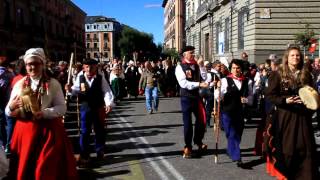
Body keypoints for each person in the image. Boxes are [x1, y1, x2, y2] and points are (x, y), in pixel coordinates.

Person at [5, 48, 78, 179]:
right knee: (26, 167)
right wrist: (11, 107)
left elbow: (62, 108)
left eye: (36, 63)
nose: (32, 67)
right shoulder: (19, 84)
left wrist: (44, 113)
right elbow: (8, 111)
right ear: (25, 65)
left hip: (48, 132)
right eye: (29, 64)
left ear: (42, 64)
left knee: (44, 168)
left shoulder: (53, 83)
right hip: (25, 133)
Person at [264, 46, 319, 179]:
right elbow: (270, 95)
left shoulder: (306, 74)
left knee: (305, 148)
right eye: (292, 55)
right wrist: (285, 100)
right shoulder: (277, 74)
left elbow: (312, 94)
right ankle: (287, 175)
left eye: (297, 55)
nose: (295, 58)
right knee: (288, 149)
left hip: (302, 116)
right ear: (287, 58)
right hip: (285, 116)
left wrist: (311, 103)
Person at [66, 58, 114, 166]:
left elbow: (106, 91)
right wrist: (69, 89)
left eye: (92, 66)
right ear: (84, 67)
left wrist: (109, 103)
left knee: (99, 130)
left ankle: (100, 150)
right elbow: (75, 90)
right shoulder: (80, 77)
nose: (89, 69)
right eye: (87, 66)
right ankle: (84, 154)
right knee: (84, 131)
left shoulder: (100, 78)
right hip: (85, 107)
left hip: (98, 107)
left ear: (96, 67)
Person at [215, 59, 253, 167]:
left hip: (240, 112)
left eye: (238, 68)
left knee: (237, 134)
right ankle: (237, 157)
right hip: (227, 112)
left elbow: (251, 97)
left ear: (241, 69)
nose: (236, 70)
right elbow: (218, 97)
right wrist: (218, 89)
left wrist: (246, 100)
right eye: (233, 68)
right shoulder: (225, 80)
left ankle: (231, 150)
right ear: (230, 69)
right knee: (231, 134)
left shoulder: (247, 81)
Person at [175, 46, 208, 158]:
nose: (193, 54)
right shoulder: (180, 67)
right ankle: (188, 146)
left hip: (197, 97)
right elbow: (183, 84)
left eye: (194, 52)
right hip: (186, 98)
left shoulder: (197, 65)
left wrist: (202, 66)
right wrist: (198, 84)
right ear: (185, 54)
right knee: (188, 123)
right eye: (191, 53)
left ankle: (198, 141)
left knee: (201, 120)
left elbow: (204, 78)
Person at [0, 55, 14, 153]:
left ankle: (4, 144)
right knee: (9, 122)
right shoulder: (11, 73)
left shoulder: (2, 73)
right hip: (10, 100)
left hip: (2, 101)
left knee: (1, 122)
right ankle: (8, 144)